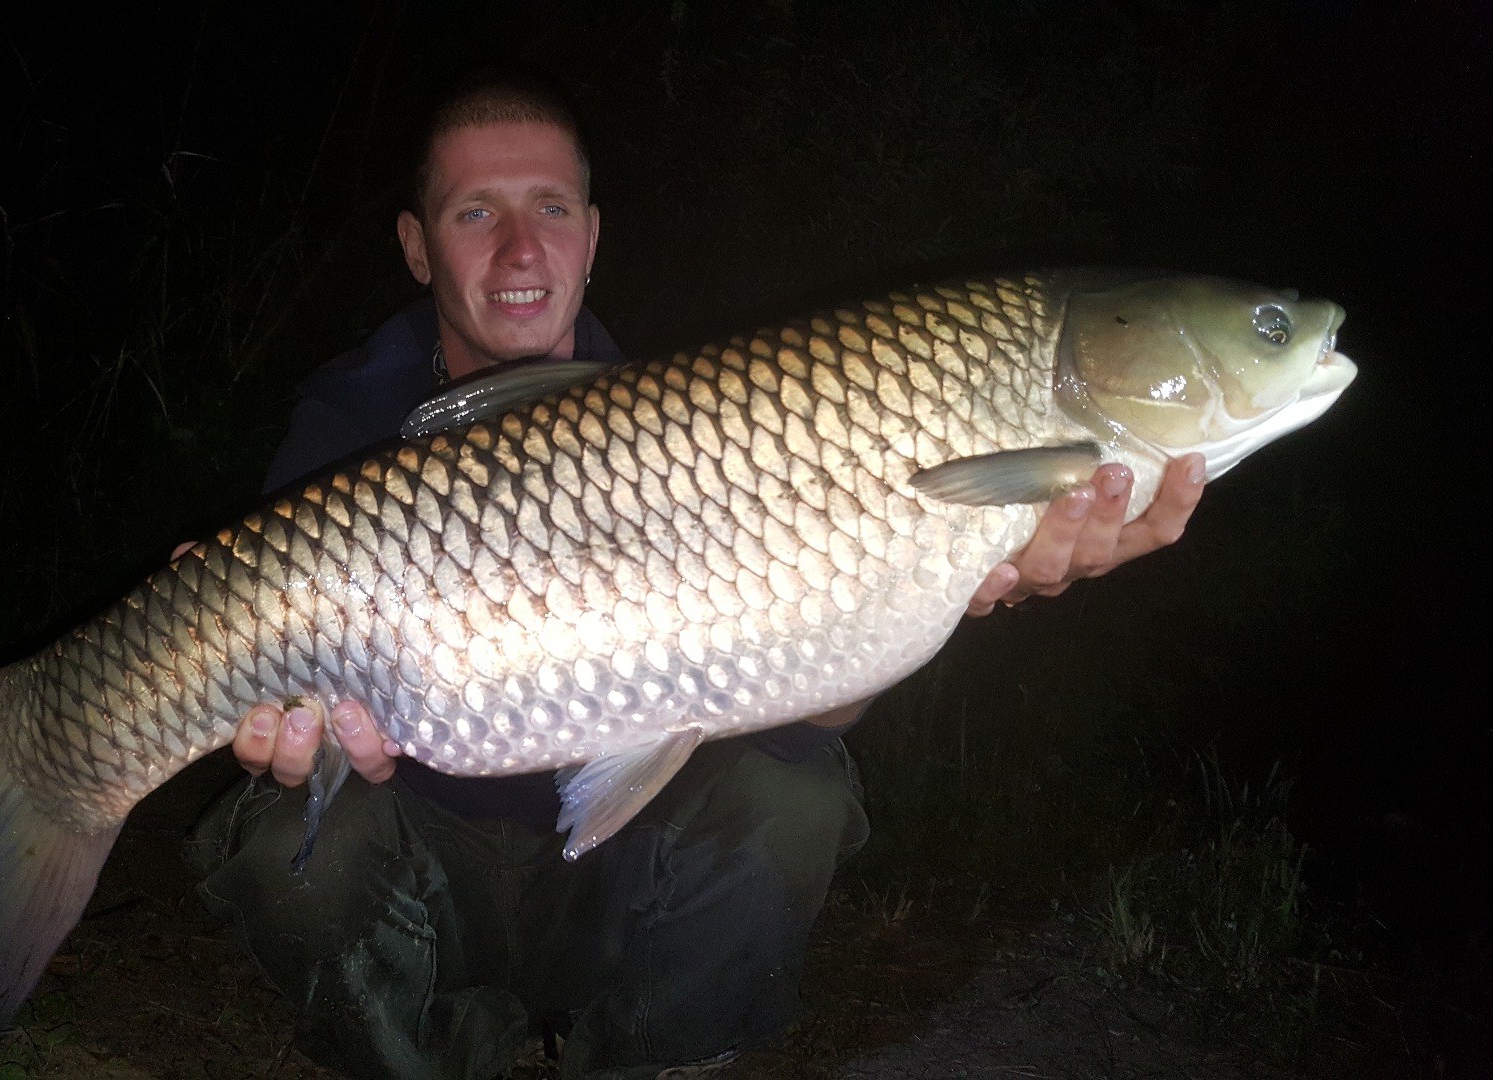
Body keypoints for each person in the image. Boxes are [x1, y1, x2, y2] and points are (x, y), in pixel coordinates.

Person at [183, 71, 1205, 1080]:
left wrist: (964, 579)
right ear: (417, 246)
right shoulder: (345, 430)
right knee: (284, 845)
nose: (520, 247)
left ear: (592, 233)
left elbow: (819, 708)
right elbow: (282, 710)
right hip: (423, 877)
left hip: (616, 883)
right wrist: (248, 688)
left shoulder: (706, 424)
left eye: (550, 207)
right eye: (474, 211)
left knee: (793, 799)